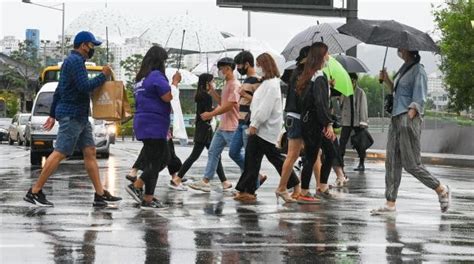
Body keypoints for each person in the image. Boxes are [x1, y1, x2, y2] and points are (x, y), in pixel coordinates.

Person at [24, 31, 122, 207]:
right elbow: (84, 87)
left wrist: (53, 114)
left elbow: (59, 91)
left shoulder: (72, 62)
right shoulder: (76, 62)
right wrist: (103, 75)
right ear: (84, 45)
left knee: (90, 151)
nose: (93, 49)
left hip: (80, 116)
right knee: (60, 152)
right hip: (73, 115)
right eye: (92, 45)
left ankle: (99, 195)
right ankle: (35, 191)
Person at [372, 49, 451, 214]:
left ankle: (441, 189)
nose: (398, 49)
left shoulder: (418, 70)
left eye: (401, 47)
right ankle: (390, 203)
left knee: (411, 164)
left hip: (408, 119)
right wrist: (387, 80)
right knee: (392, 162)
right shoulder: (404, 69)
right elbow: (398, 93)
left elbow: (419, 98)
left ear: (410, 50)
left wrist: (410, 115)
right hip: (395, 118)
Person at [234, 53, 300, 202]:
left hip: (264, 129)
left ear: (265, 66)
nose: (256, 68)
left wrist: (255, 124)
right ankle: (247, 190)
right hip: (261, 128)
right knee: (253, 160)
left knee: (271, 158)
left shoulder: (271, 85)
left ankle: (293, 184)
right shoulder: (266, 83)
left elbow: (265, 108)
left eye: (258, 65)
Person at [125, 45, 181, 209]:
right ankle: (136, 185)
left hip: (143, 122)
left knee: (153, 161)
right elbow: (167, 97)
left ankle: (148, 198)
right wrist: (175, 83)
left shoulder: (141, 78)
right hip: (154, 124)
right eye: (164, 60)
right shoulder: (157, 76)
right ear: (159, 61)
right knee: (162, 158)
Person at [189, 57, 240, 193]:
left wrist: (211, 114)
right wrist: (213, 92)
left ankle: (254, 175)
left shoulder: (234, 85)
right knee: (213, 152)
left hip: (231, 127)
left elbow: (230, 105)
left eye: (221, 69)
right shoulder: (227, 84)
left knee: (236, 154)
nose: (219, 72)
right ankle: (206, 181)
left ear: (228, 69)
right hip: (223, 126)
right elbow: (222, 102)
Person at [172, 74, 229, 189]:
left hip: (202, 129)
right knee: (200, 155)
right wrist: (218, 108)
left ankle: (225, 182)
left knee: (214, 155)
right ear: (207, 83)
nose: (213, 84)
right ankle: (178, 178)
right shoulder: (206, 97)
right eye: (212, 82)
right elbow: (206, 115)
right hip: (205, 130)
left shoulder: (200, 95)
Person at [296, 42, 337, 200]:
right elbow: (320, 103)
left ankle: (321, 186)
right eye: (327, 53)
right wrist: (328, 123)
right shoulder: (318, 77)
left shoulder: (311, 75)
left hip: (311, 122)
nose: (329, 56)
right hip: (316, 123)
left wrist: (328, 88)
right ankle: (305, 190)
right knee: (313, 156)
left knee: (326, 152)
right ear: (321, 56)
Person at [231, 51, 267, 185]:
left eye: (239, 65)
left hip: (248, 122)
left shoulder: (257, 80)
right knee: (233, 153)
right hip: (240, 122)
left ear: (247, 64)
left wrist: (244, 95)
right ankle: (256, 177)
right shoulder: (246, 80)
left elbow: (260, 103)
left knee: (250, 157)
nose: (238, 68)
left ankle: (251, 186)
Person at [339, 72, 369, 171]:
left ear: (355, 81)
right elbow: (341, 106)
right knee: (342, 142)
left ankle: (361, 163)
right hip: (347, 122)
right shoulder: (345, 91)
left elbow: (363, 108)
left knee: (360, 143)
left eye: (352, 80)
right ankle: (340, 162)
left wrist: (363, 122)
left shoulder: (360, 92)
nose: (350, 82)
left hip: (357, 122)